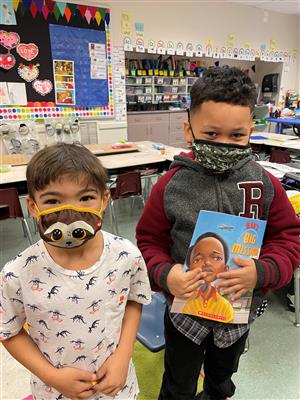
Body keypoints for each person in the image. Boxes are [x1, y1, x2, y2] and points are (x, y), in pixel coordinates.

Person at [136, 66, 300, 400]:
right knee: (179, 381)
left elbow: (289, 237)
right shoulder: (170, 186)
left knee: (222, 379)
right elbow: (149, 240)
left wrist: (263, 271)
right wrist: (166, 276)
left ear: (250, 131)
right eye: (211, 134)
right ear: (189, 129)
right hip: (184, 314)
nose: (224, 144)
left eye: (237, 135)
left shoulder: (264, 184)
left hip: (238, 314)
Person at [0, 143, 151, 400]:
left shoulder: (127, 256)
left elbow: (134, 302)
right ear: (33, 207)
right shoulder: (17, 273)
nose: (70, 213)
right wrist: (51, 376)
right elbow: (8, 331)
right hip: (54, 391)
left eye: (85, 198)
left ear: (104, 199)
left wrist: (123, 357)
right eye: (52, 201)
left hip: (117, 388)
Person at [182, 232, 234, 323]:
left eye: (216, 258)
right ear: (190, 269)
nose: (207, 263)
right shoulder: (187, 301)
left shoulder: (225, 307)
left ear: (225, 269)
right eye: (197, 259)